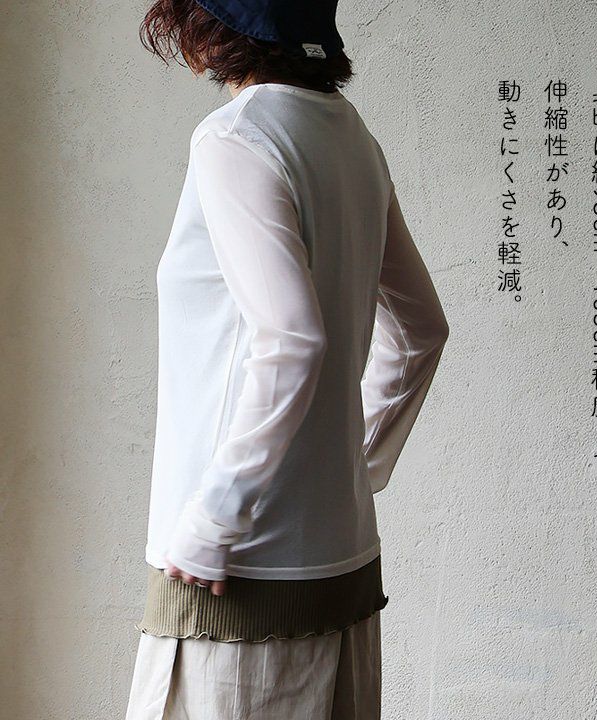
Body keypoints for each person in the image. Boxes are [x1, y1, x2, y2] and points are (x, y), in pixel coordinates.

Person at [124, 1, 450, 718]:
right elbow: (421, 330)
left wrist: (216, 517)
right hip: (339, 554)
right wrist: (352, 466)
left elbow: (292, 337)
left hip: (235, 570)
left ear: (212, 29)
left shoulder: (234, 136)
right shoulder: (352, 137)